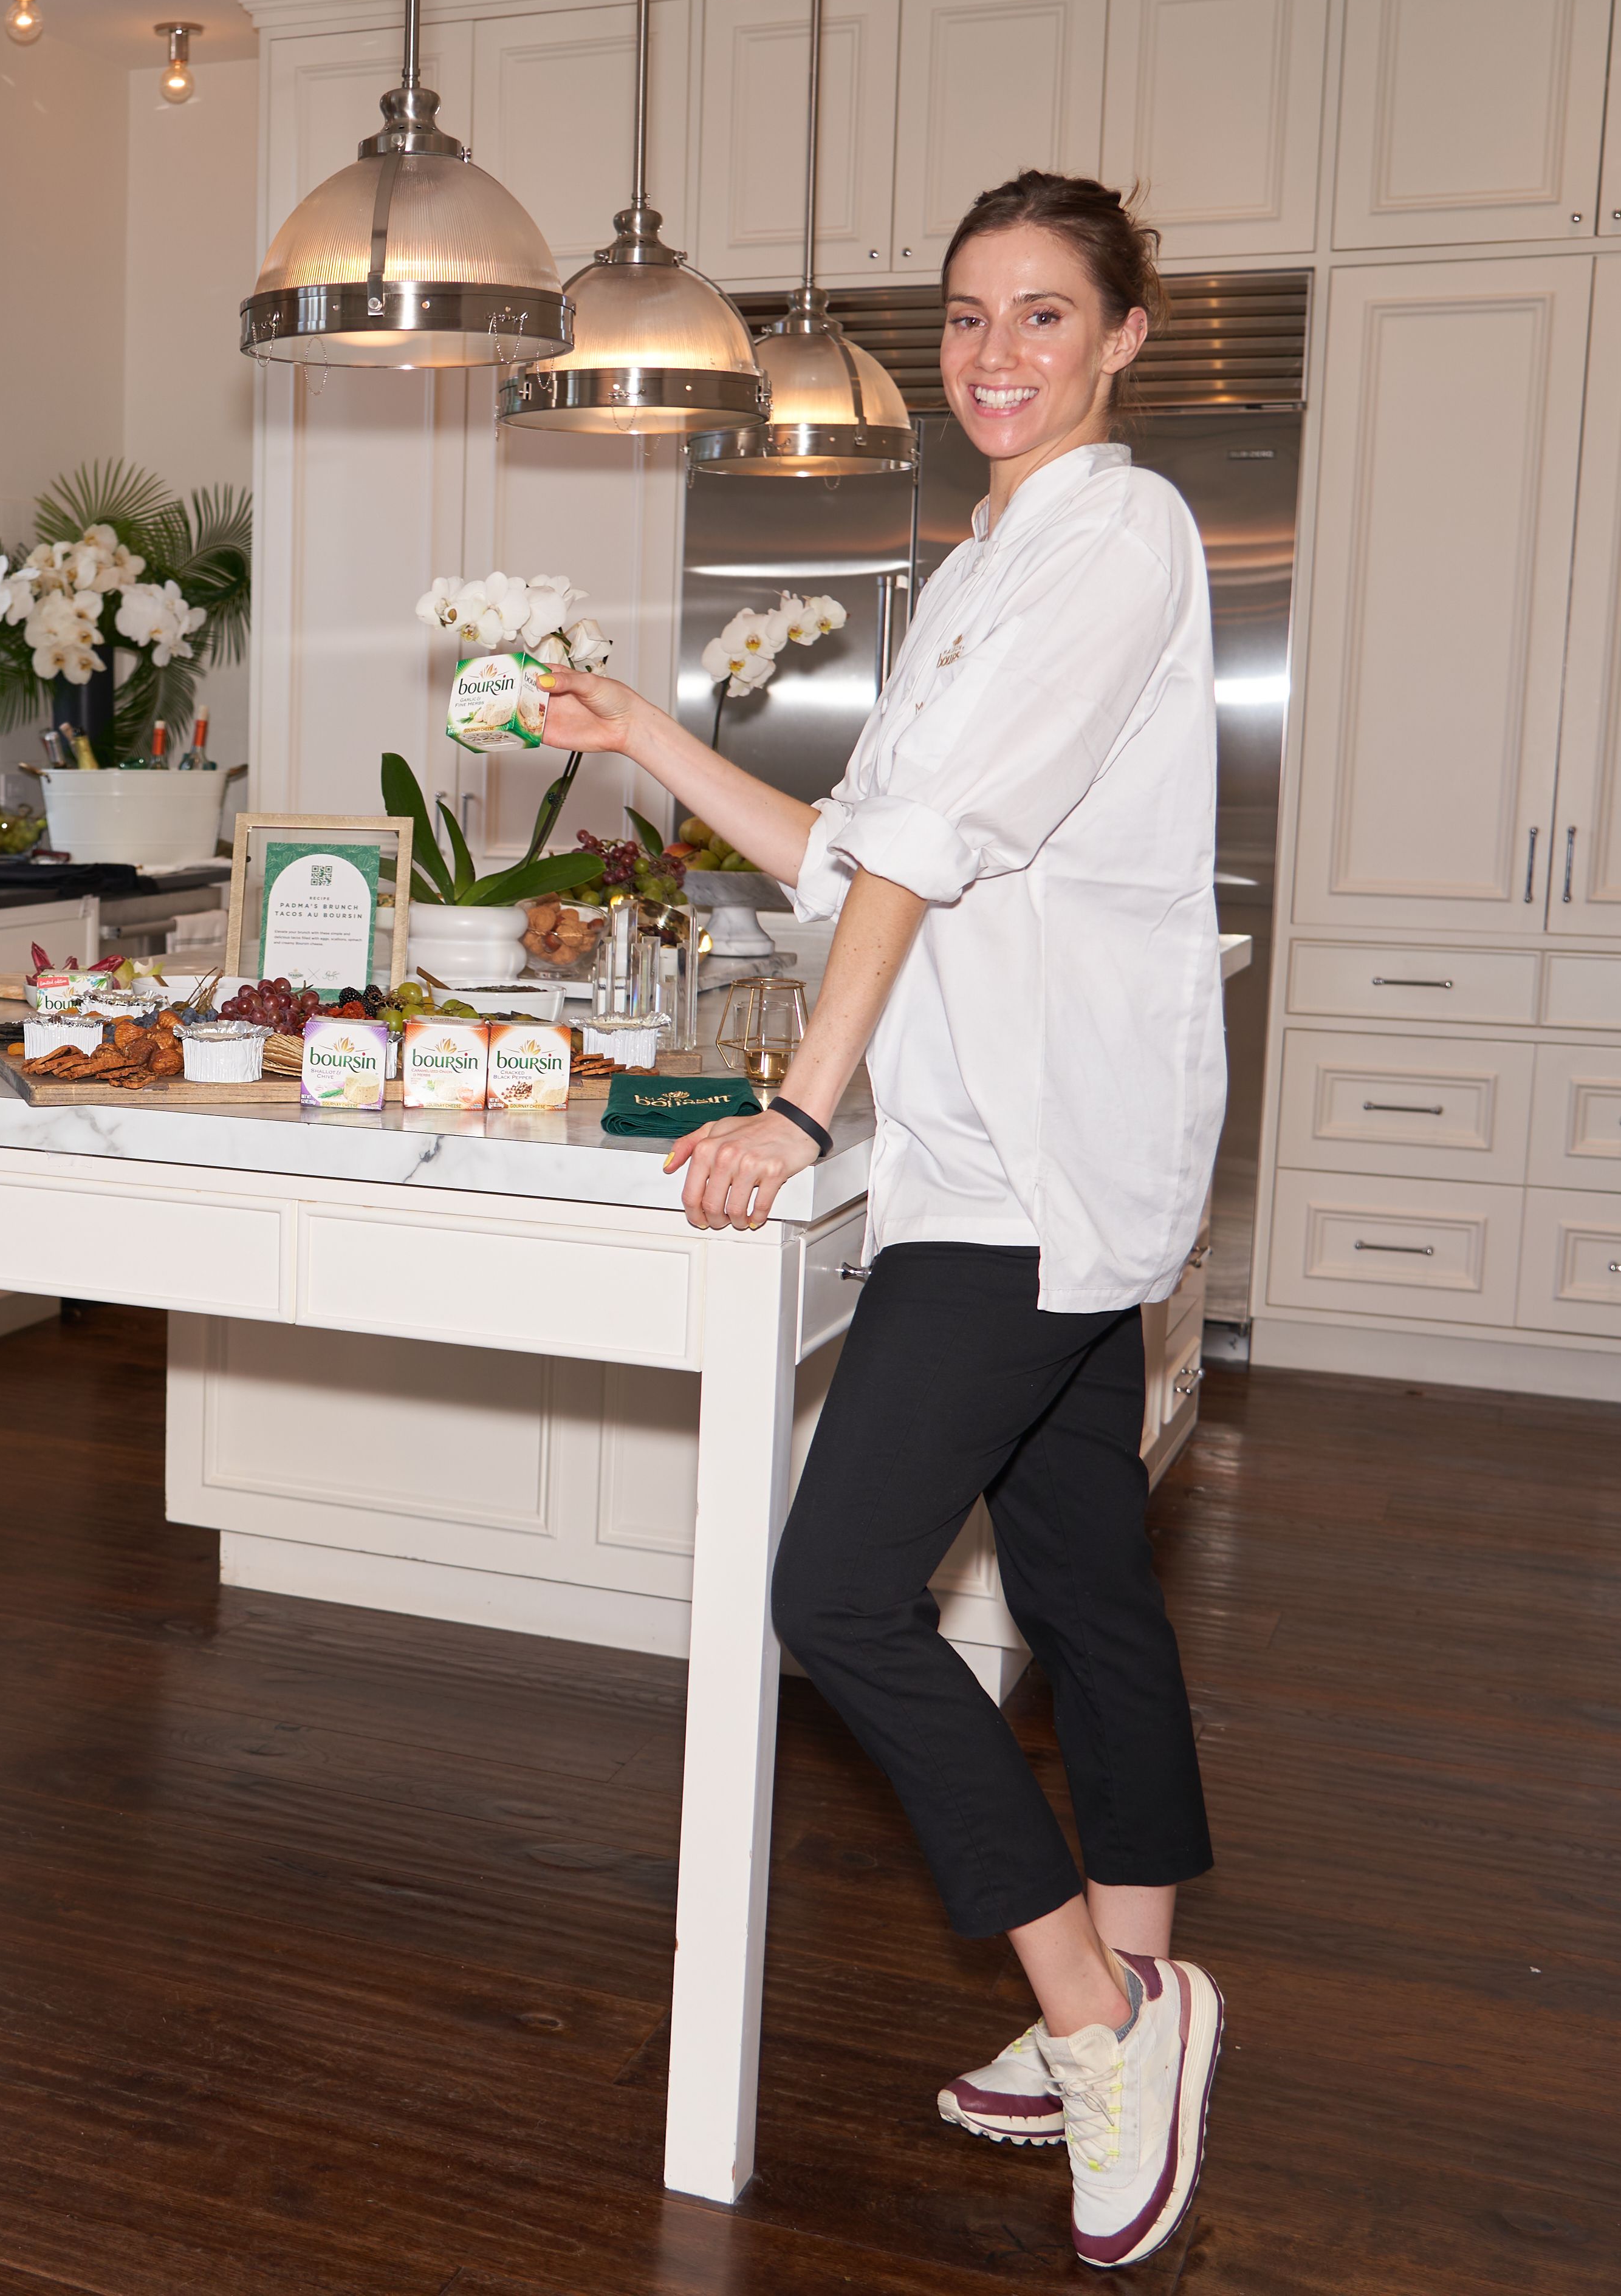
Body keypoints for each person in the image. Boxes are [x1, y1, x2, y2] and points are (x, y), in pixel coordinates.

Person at [538, 171, 1225, 2268]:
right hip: (1018, 1151)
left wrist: (793, 1097)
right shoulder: (988, 562)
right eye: (968, 318)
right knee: (1088, 1581)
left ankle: (1096, 2023)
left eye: (1042, 315)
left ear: (1120, 337)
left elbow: (927, 843)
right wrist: (645, 730)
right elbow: (855, 849)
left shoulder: (1120, 533)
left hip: (1023, 1162)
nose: (996, 354)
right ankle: (1150, 1981)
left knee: (834, 1595)